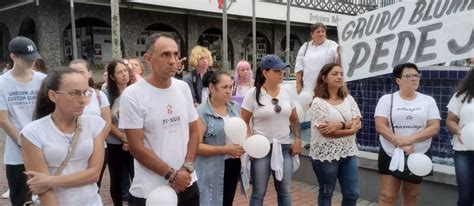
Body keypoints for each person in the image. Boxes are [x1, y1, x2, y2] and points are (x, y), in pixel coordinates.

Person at [119, 32, 200, 206]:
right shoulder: (133, 95)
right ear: (148, 58)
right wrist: (172, 175)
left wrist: (187, 169)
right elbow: (136, 147)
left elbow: (194, 131)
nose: (173, 60)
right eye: (165, 54)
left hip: (187, 184)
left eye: (176, 54)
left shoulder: (183, 88)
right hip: (150, 192)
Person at [20, 67, 107, 205]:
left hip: (92, 202)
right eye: (74, 93)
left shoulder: (94, 124)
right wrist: (44, 183)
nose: (83, 100)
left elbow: (94, 174)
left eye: (86, 92)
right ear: (53, 96)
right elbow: (42, 190)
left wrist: (49, 180)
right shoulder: (32, 133)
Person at [374, 63, 440, 206]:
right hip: (390, 151)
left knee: (412, 194)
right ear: (398, 80)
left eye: (416, 75)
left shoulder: (428, 101)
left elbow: (434, 127)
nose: (414, 79)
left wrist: (408, 140)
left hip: (418, 153)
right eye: (409, 76)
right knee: (387, 196)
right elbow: (380, 126)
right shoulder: (386, 100)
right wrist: (400, 143)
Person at [241, 54, 302, 206]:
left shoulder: (287, 91)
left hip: (284, 148)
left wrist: (298, 139)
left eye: (283, 70)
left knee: (285, 191)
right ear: (265, 72)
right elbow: (243, 122)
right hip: (261, 150)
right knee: (259, 192)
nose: (282, 73)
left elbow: (294, 119)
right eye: (277, 71)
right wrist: (251, 142)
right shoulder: (253, 94)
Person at [0, 36, 45, 206]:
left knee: (47, 194)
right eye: (26, 59)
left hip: (43, 146)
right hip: (16, 151)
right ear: (13, 57)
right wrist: (25, 144)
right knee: (20, 198)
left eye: (33, 58)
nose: (31, 62)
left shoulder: (42, 80)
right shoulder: (2, 84)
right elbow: (4, 120)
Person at [309, 63, 362, 206]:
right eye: (335, 74)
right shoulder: (318, 103)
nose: (339, 77)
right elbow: (327, 133)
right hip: (326, 155)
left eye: (341, 74)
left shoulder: (348, 99)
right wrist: (350, 130)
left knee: (352, 194)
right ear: (324, 78)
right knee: (326, 193)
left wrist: (339, 125)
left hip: (349, 152)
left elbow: (358, 121)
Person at [195, 70, 245, 206]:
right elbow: (196, 147)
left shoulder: (234, 107)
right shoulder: (201, 113)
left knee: (227, 201)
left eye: (231, 87)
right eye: (224, 87)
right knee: (210, 202)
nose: (229, 91)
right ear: (211, 87)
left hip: (233, 164)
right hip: (211, 168)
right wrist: (225, 149)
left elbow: (241, 132)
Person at [69, 59, 112, 190]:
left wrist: (96, 146)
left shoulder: (99, 96)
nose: (77, 75)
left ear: (90, 74)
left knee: (94, 186)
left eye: (81, 72)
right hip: (73, 150)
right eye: (73, 72)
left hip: (98, 149)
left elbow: (107, 122)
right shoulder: (66, 96)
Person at [103, 60, 134, 206]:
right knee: (116, 179)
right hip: (114, 143)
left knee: (136, 176)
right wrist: (123, 138)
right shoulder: (106, 94)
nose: (124, 74)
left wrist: (131, 140)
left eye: (125, 71)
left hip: (134, 143)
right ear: (112, 77)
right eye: (119, 72)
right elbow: (106, 122)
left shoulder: (135, 90)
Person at [446, 68, 474, 206]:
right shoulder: (461, 96)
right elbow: (450, 120)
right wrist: (458, 130)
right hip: (463, 151)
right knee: (465, 196)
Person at [295, 22, 339, 94]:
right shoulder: (305, 47)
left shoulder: (333, 45)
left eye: (323, 31)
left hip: (326, 85)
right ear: (312, 34)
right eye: (318, 32)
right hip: (308, 86)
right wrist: (298, 83)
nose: (321, 34)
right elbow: (299, 66)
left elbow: (338, 63)